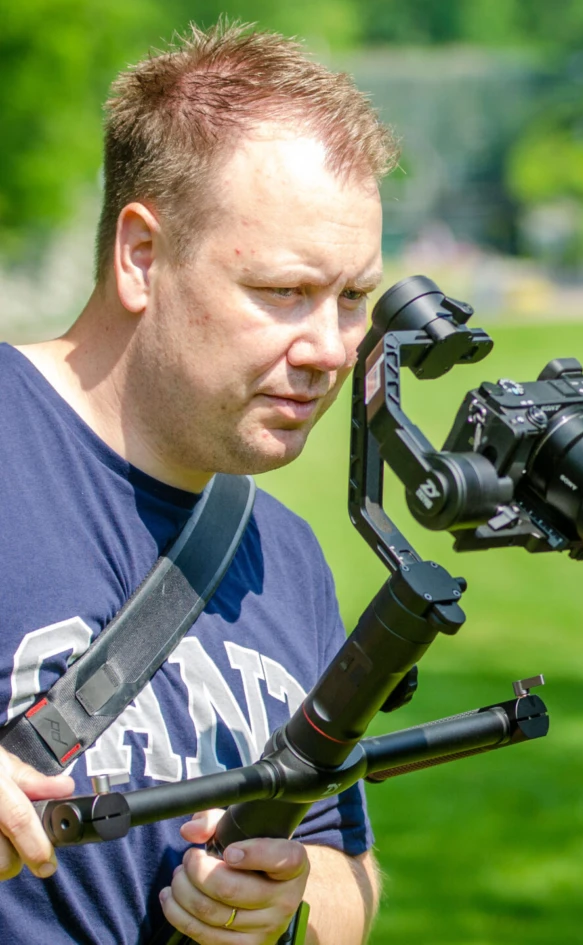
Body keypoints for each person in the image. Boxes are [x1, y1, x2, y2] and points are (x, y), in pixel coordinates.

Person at [0, 23, 396, 945]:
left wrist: (292, 897)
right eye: (286, 291)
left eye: (353, 298)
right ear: (142, 255)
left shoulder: (287, 557)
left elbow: (353, 865)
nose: (332, 350)